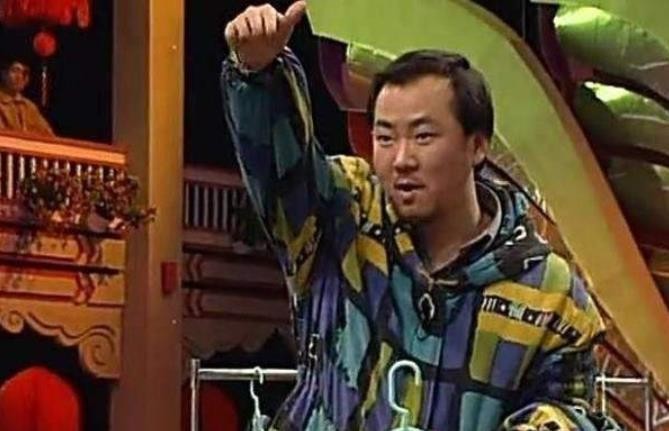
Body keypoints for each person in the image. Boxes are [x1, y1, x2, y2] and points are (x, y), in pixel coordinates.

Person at [222, 2, 619, 429]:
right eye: (385, 137)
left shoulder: (549, 294)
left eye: (424, 136)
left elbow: (569, 407)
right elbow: (281, 171)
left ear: (477, 146)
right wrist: (258, 76)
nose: (401, 159)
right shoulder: (345, 212)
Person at [0, 59, 54, 137]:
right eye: (15, 71)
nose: (19, 77)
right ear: (3, 74)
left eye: (24, 73)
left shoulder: (29, 107)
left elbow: (48, 135)